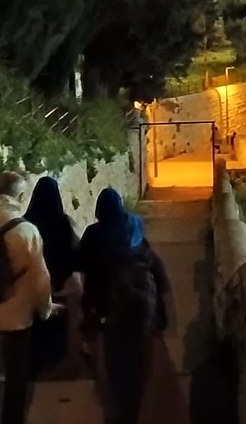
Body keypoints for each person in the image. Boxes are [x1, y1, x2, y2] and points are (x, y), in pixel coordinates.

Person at [78, 188, 170, 424]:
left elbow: (84, 267)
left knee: (115, 360)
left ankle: (120, 410)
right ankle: (133, 406)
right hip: (142, 309)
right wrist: (161, 312)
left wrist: (88, 313)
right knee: (138, 358)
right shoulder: (136, 227)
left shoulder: (94, 234)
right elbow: (155, 269)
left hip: (110, 309)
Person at [0, 171, 56, 424]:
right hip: (15, 319)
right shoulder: (26, 231)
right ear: (20, 196)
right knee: (15, 378)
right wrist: (46, 310)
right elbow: (40, 281)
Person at [24, 178, 79, 378]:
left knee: (36, 329)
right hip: (58, 287)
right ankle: (53, 365)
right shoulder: (63, 224)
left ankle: (35, 367)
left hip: (33, 287)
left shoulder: (27, 223)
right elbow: (74, 255)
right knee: (56, 328)